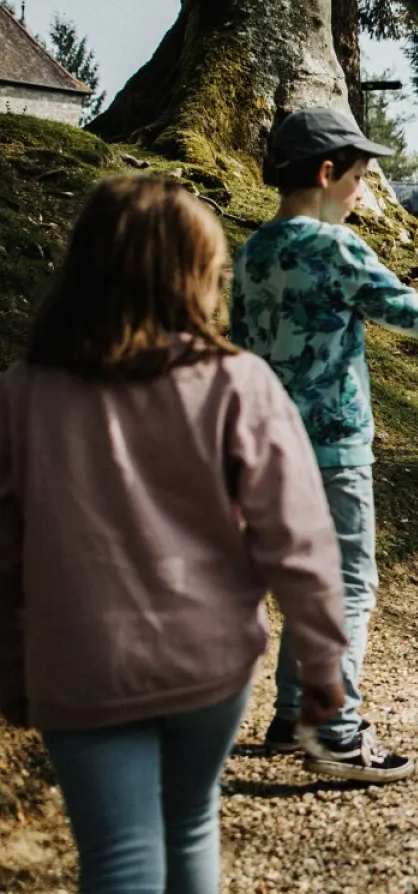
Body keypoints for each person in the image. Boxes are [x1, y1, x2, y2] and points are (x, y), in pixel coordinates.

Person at [0, 177, 349, 893]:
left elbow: (5, 547)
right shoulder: (236, 383)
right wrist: (322, 670)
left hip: (80, 659)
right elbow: (300, 540)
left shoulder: (26, 390)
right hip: (206, 660)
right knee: (190, 821)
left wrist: (12, 664)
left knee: (119, 856)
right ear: (198, 275)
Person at [232, 107, 418, 784]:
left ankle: (293, 713)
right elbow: (404, 308)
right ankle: (338, 726)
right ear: (327, 174)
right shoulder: (337, 248)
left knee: (307, 581)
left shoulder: (254, 250)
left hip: (269, 447)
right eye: (359, 179)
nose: (362, 193)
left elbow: (240, 348)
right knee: (350, 585)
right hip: (332, 447)